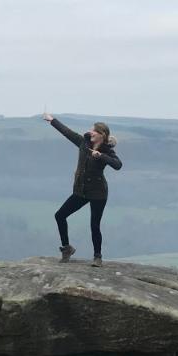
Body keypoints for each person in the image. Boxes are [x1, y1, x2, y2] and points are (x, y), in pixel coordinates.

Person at [43, 112, 122, 267]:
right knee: (60, 215)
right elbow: (67, 132)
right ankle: (67, 248)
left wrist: (101, 156)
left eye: (94, 131)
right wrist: (52, 120)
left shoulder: (106, 150)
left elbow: (118, 165)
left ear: (102, 135)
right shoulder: (83, 143)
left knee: (94, 225)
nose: (90, 132)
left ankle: (97, 257)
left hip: (98, 193)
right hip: (81, 191)